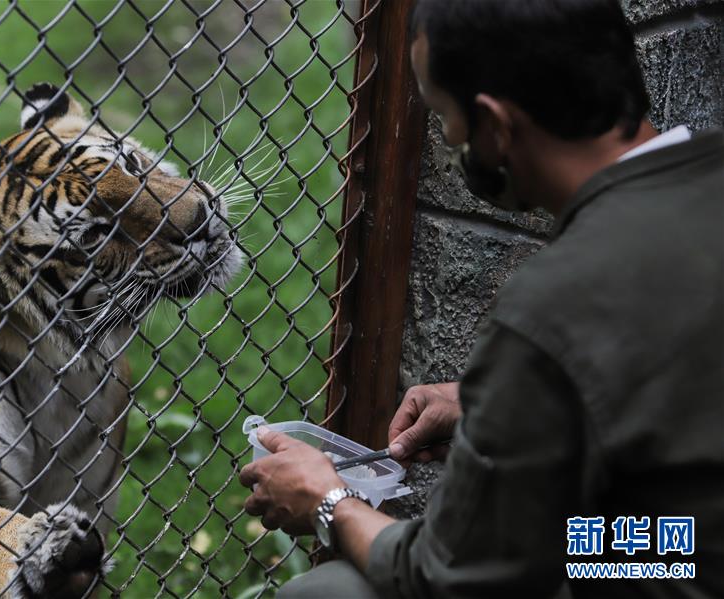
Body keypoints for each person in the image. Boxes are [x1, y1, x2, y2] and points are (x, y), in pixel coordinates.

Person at [238, 0, 724, 597]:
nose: (450, 138)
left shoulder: (555, 302)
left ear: (495, 125)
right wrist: (504, 404)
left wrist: (326, 499)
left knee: (326, 594)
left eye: (445, 119)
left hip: (671, 562)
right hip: (690, 536)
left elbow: (450, 574)